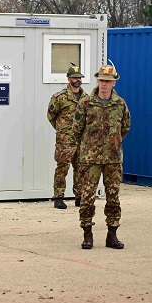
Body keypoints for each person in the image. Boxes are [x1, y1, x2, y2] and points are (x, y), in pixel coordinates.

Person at [73, 65, 131, 250]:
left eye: (107, 81)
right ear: (97, 81)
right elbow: (77, 129)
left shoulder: (120, 104)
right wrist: (89, 147)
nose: (104, 84)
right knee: (87, 197)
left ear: (114, 83)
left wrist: (112, 143)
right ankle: (87, 234)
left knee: (113, 198)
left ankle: (112, 235)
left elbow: (125, 127)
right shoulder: (86, 103)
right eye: (101, 80)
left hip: (113, 159)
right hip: (90, 160)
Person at [47, 64, 89, 209]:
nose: (77, 80)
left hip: (81, 140)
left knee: (81, 169)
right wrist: (62, 130)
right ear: (68, 79)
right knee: (62, 169)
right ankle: (58, 197)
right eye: (74, 77)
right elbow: (51, 116)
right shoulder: (59, 97)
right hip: (65, 141)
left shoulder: (86, 98)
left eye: (79, 77)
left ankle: (79, 196)